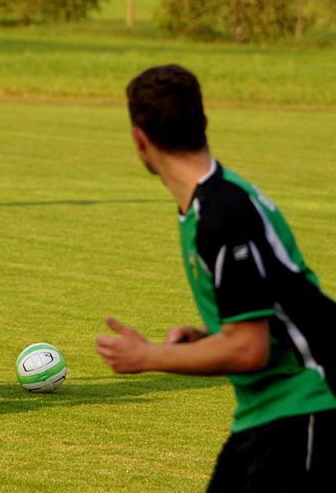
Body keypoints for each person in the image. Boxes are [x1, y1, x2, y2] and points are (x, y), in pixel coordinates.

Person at [96, 64, 336, 491]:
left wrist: (147, 356)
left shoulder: (220, 215)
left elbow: (249, 350)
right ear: (204, 122)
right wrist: (208, 337)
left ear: (139, 139)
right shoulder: (215, 201)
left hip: (310, 402)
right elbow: (272, 313)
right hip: (271, 408)